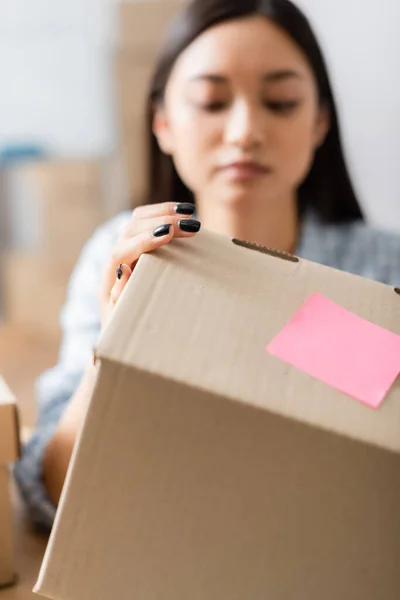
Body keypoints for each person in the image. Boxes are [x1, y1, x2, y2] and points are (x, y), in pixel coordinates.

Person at [14, 0, 400, 531]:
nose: (244, 131)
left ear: (319, 123)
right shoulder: (123, 255)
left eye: (281, 102)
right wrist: (116, 348)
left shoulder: (384, 266)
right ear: (163, 123)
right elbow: (49, 496)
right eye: (211, 101)